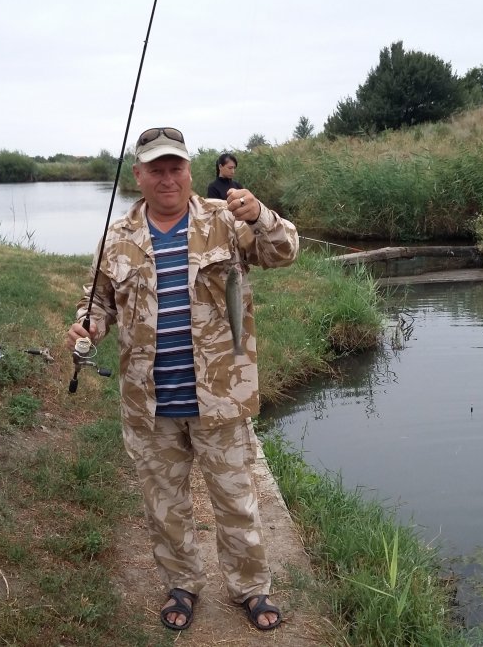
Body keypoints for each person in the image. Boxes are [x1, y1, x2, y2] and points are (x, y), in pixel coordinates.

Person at [66, 126, 299, 632]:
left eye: (176, 168)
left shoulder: (225, 220)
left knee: (235, 501)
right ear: (139, 175)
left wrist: (260, 215)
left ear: (190, 171)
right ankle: (182, 583)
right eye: (157, 169)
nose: (167, 178)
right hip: (150, 404)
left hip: (222, 398)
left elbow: (284, 252)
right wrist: (88, 324)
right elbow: (98, 301)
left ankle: (250, 587)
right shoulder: (116, 237)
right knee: (165, 506)